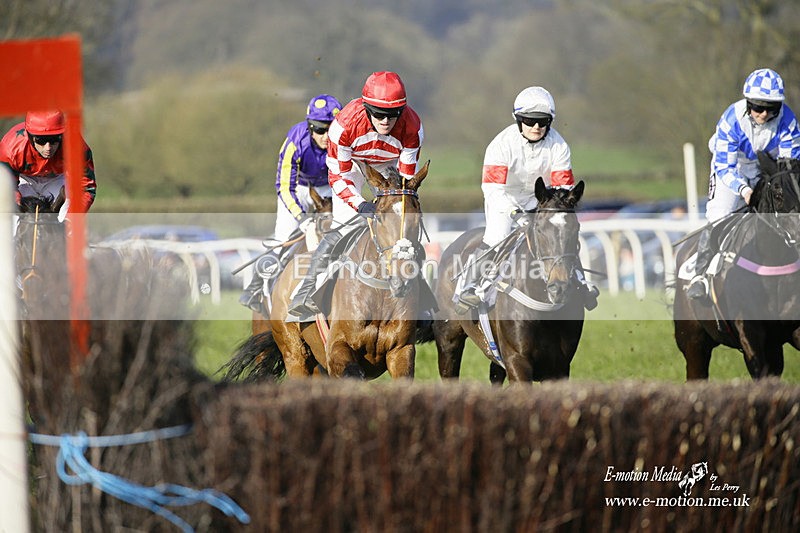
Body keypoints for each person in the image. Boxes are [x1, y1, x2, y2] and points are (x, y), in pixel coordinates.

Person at [287, 71, 424, 320]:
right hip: (349, 167)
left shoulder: (413, 127)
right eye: (379, 113)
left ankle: (423, 298)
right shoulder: (343, 126)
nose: (386, 121)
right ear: (366, 107)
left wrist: (398, 205)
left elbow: (405, 183)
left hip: (385, 167)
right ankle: (307, 290)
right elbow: (338, 177)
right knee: (344, 227)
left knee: (404, 229)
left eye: (393, 114)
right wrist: (360, 205)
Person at [456, 86, 598, 311]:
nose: (536, 127)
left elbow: (562, 187)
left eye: (542, 121)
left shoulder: (559, 145)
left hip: (541, 202)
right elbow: (493, 190)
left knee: (560, 235)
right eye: (530, 121)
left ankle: (581, 283)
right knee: (497, 236)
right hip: (504, 200)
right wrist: (515, 213)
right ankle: (471, 288)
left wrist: (557, 208)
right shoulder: (501, 145)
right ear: (519, 120)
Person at [687, 68, 800, 300]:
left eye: (772, 108)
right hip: (731, 167)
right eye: (758, 107)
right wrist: (745, 190)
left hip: (765, 167)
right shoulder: (731, 120)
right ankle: (700, 274)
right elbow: (724, 167)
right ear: (748, 103)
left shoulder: (788, 121)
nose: (765, 114)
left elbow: (790, 167)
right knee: (721, 213)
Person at [239, 94, 342, 313]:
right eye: (320, 130)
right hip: (299, 189)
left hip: (330, 188)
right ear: (310, 127)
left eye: (330, 130)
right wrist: (303, 220)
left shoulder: (342, 141)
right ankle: (256, 287)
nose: (325, 136)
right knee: (283, 240)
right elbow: (284, 186)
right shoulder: (296, 140)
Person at [0, 110, 96, 216]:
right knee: (13, 220)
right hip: (23, 179)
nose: (48, 148)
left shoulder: (77, 148)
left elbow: (86, 188)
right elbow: (5, 187)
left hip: (57, 179)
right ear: (30, 137)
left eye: (54, 139)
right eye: (41, 140)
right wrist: (20, 207)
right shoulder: (9, 148)